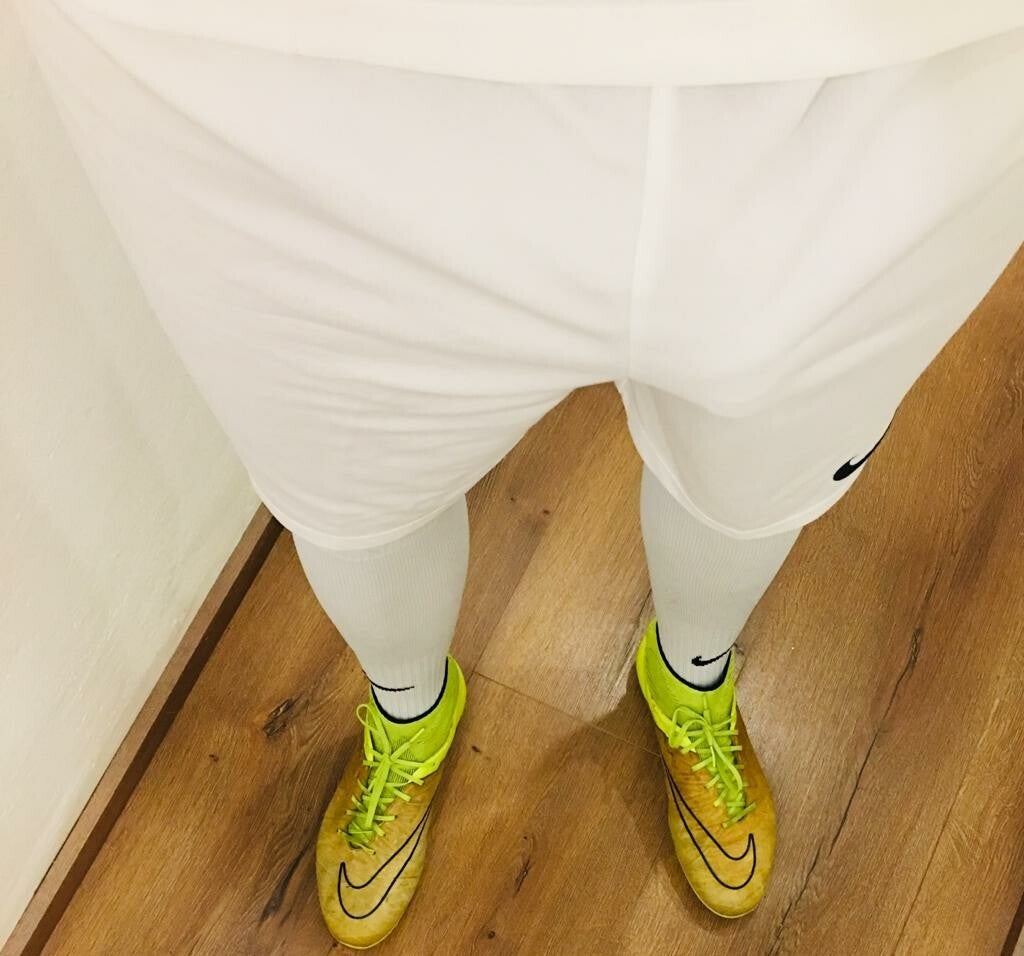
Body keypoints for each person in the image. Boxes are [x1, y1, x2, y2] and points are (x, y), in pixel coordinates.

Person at [17, 0, 1024, 946]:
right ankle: (410, 714)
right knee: (354, 497)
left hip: (895, 74)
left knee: (758, 481)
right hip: (270, 78)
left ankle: (689, 680)